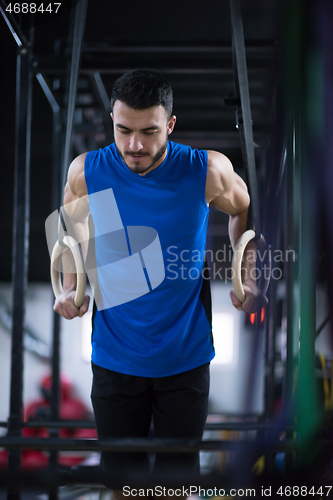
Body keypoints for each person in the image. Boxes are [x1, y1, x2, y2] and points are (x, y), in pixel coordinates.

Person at [53, 69, 267, 495]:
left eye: (149, 132)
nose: (134, 145)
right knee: (121, 485)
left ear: (169, 124)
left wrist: (248, 275)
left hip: (184, 358)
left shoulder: (206, 170)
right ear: (112, 121)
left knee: (175, 483)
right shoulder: (86, 172)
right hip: (114, 358)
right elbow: (70, 231)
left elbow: (244, 210)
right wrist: (69, 286)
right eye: (123, 130)